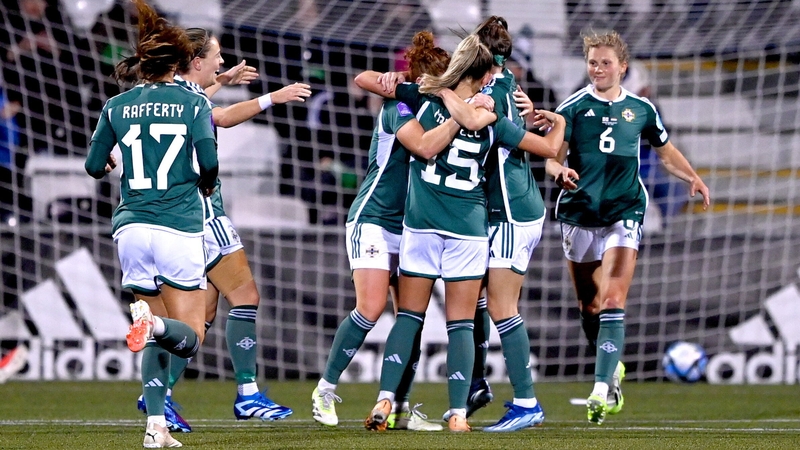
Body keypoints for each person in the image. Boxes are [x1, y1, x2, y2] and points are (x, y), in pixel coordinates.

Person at [357, 34, 564, 432]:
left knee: (408, 318)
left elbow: (365, 80)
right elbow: (547, 149)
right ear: (485, 75)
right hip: (468, 229)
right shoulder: (491, 116)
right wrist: (560, 122)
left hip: (419, 224)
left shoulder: (423, 98)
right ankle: (457, 413)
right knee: (461, 324)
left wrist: (405, 83)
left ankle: (385, 398)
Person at [134, 27, 313, 432]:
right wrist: (273, 98)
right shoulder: (191, 98)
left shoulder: (169, 94)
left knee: (206, 312)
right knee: (246, 296)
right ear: (195, 61)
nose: (222, 61)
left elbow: (199, 104)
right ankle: (248, 393)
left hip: (166, 219)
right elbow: (223, 118)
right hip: (202, 215)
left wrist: (221, 82)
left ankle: (157, 393)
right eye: (216, 56)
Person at [544, 29, 710, 425]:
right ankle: (612, 369)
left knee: (614, 299)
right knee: (590, 304)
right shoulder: (570, 108)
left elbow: (666, 152)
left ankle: (601, 389)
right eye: (592, 62)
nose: (597, 69)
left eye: (605, 63)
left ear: (622, 66)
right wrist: (559, 172)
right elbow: (551, 156)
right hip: (579, 213)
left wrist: (693, 178)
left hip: (625, 211)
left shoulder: (642, 109)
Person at [311, 30, 462, 432]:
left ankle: (397, 405)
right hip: (373, 218)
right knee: (372, 307)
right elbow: (424, 146)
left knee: (410, 316)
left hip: (412, 225)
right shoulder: (400, 106)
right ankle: (324, 389)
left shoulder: (438, 108)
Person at [84, 0, 218, 447]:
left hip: (131, 228)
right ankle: (154, 326)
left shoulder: (116, 105)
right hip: (177, 225)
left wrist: (106, 170)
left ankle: (155, 427)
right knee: (190, 334)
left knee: (150, 325)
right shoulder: (191, 101)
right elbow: (210, 159)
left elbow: (91, 164)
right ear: (179, 64)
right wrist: (204, 183)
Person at [431, 15, 555, 432]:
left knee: (503, 307)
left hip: (511, 212)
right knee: (479, 295)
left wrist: (439, 87)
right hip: (505, 209)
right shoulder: (508, 89)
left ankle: (526, 402)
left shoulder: (497, 94)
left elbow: (475, 122)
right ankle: (478, 380)